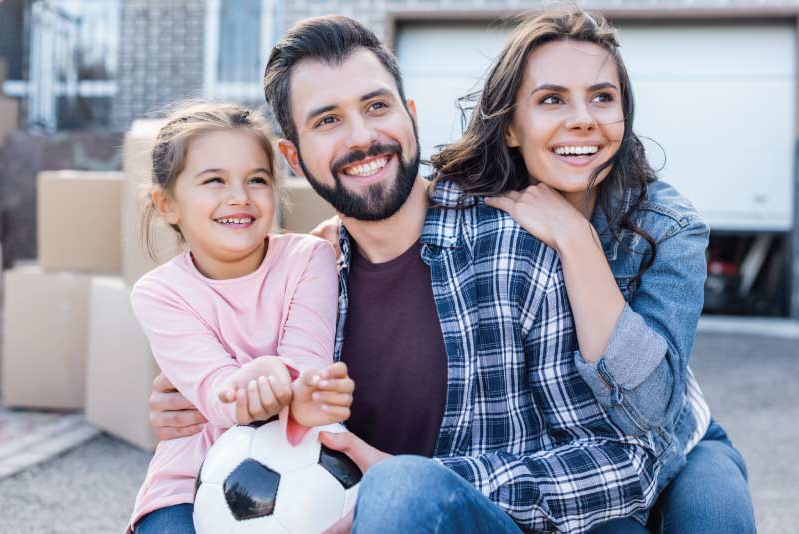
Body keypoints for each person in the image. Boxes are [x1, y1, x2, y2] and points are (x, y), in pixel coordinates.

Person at [148, 16, 659, 534]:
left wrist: (418, 481)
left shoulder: (512, 253)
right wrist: (197, 404)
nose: (363, 136)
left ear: (410, 115)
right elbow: (232, 388)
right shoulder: (306, 279)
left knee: (402, 491)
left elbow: (623, 463)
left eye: (376, 106)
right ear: (294, 159)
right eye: (327, 121)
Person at [431, 8, 755, 533]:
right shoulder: (475, 212)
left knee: (717, 521)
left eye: (602, 97)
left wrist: (576, 239)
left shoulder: (669, 228)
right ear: (511, 126)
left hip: (677, 444)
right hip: (577, 470)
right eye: (552, 99)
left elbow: (651, 408)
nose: (583, 118)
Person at [127, 102, 354, 534]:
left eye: (257, 180)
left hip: (300, 472)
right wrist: (268, 376)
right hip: (187, 486)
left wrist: (289, 378)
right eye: (214, 181)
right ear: (166, 205)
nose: (240, 197)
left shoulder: (309, 259)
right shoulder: (160, 293)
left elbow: (309, 362)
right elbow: (216, 392)